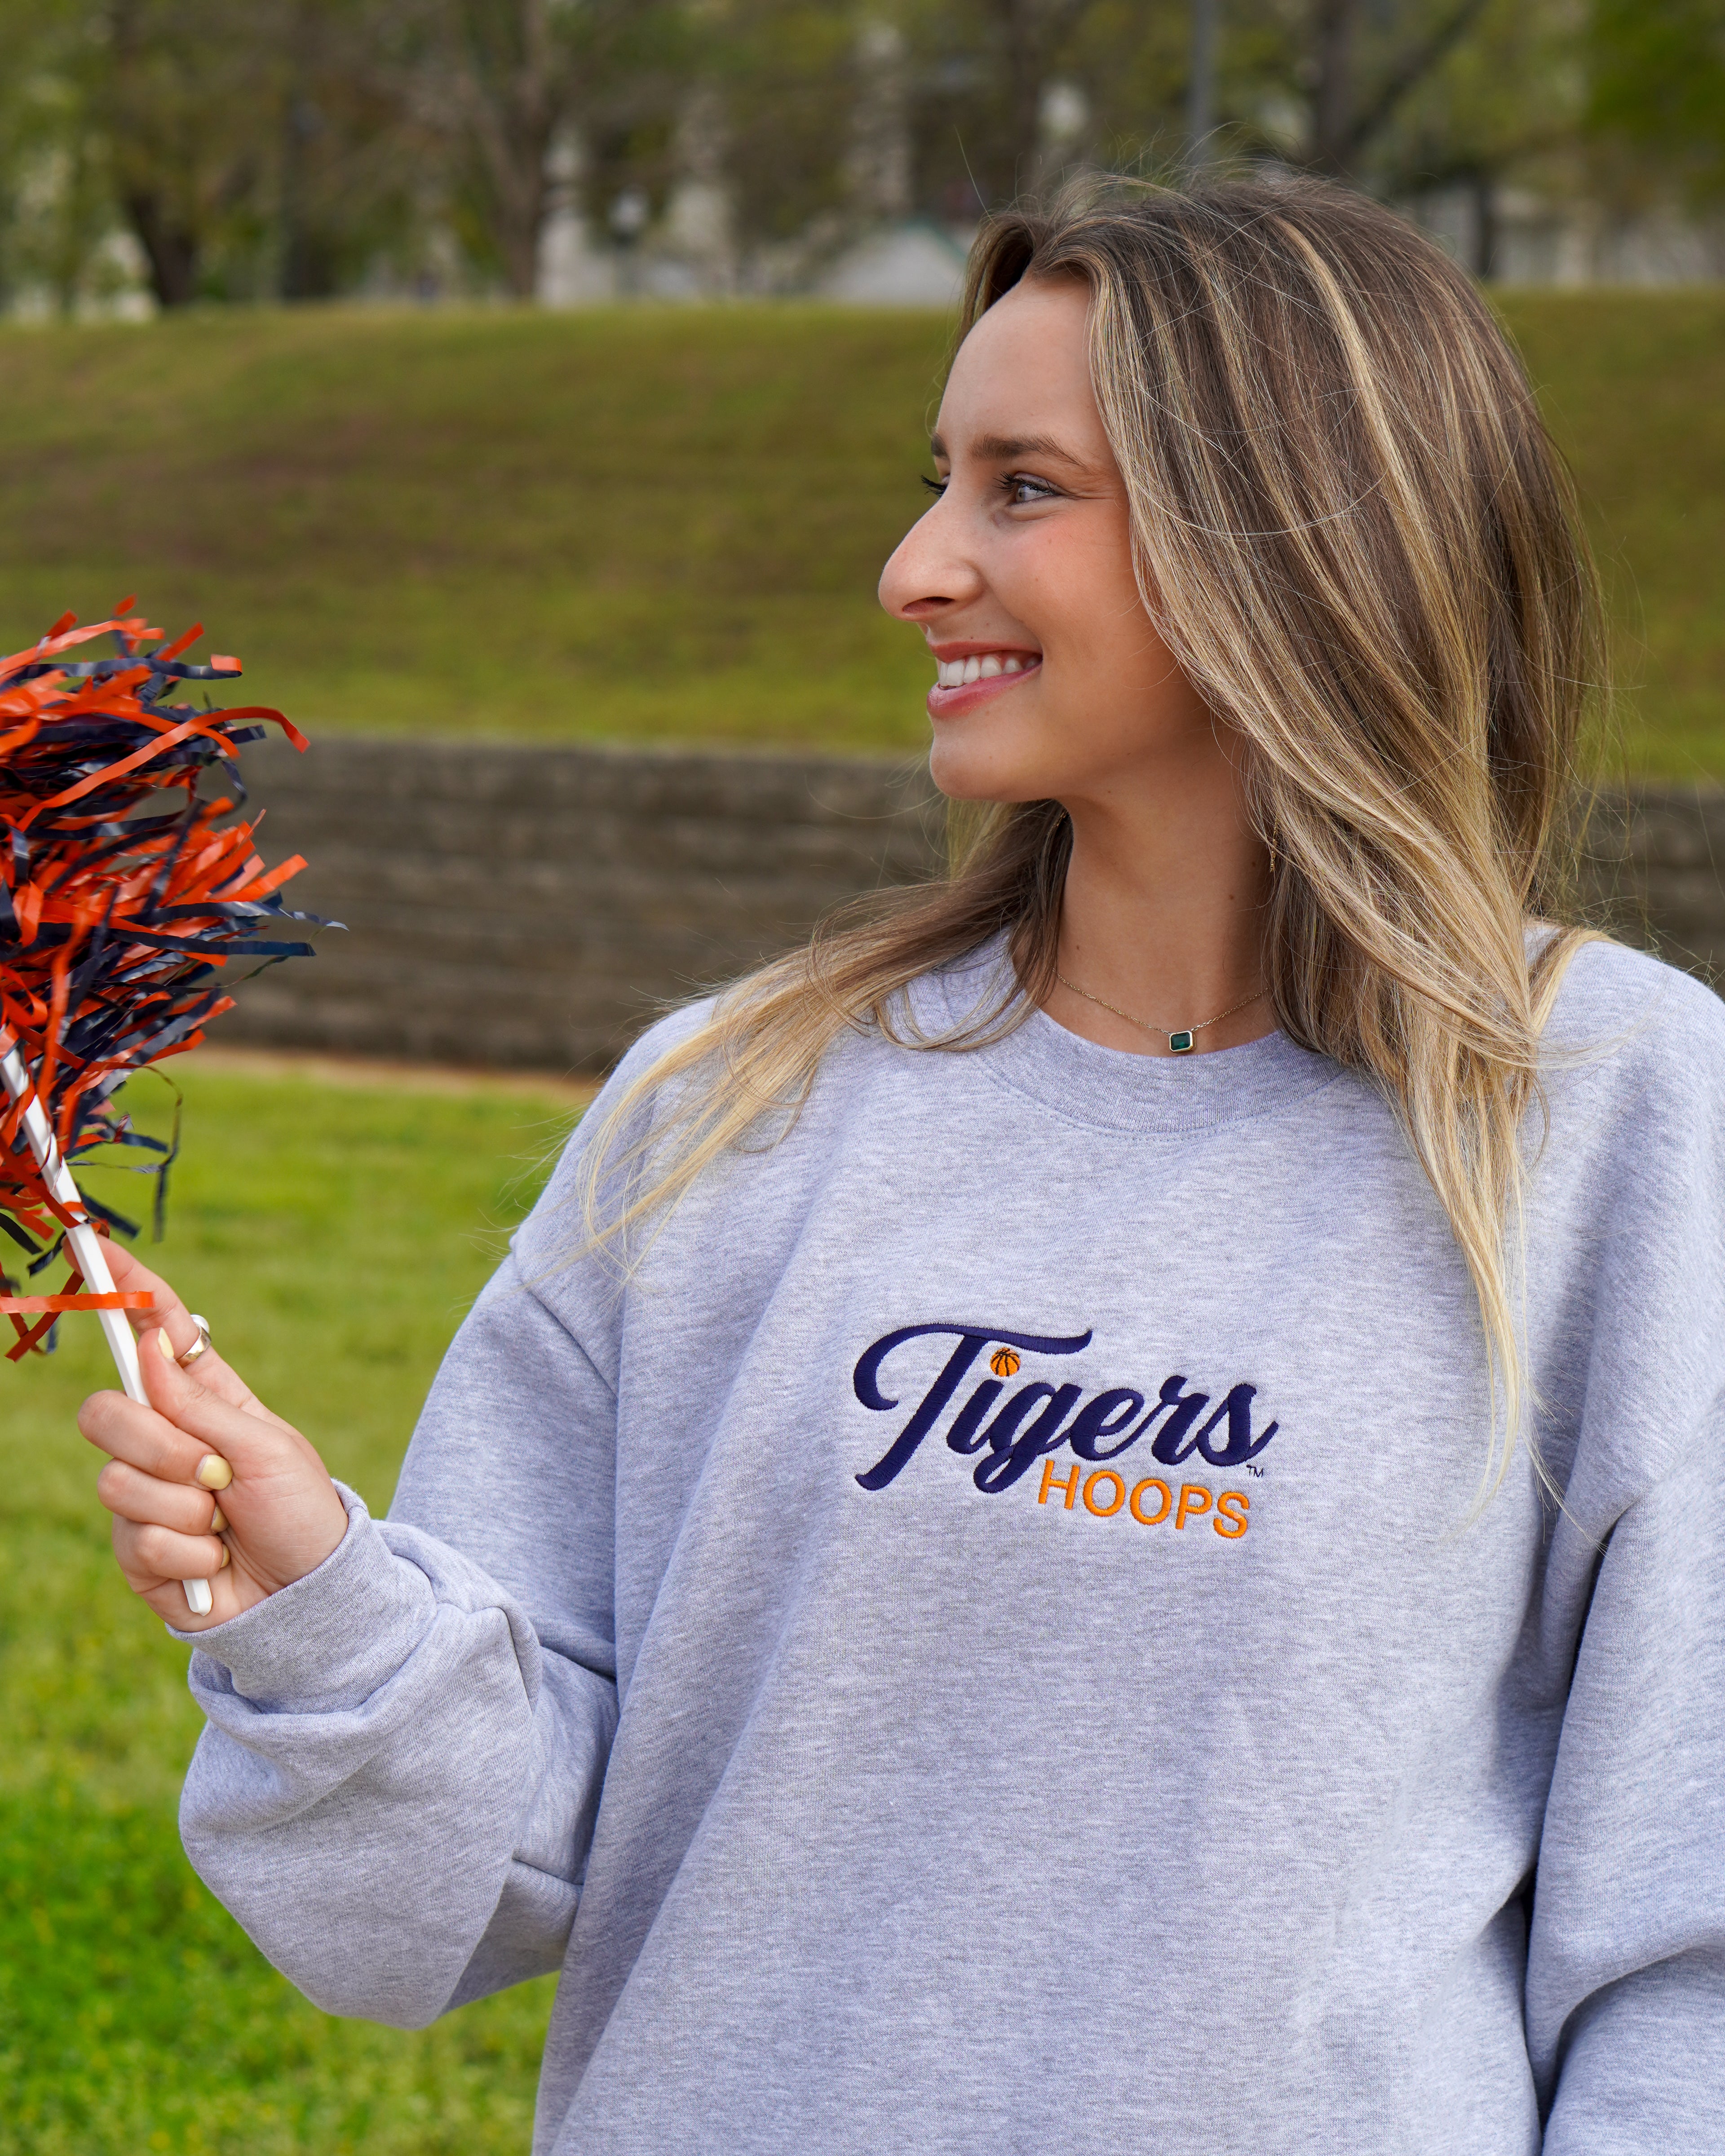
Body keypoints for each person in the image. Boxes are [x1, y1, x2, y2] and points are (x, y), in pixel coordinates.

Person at [82, 178, 1725, 2155]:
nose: (914, 569)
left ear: (1298, 533)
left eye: (1023, 488)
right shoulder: (732, 1103)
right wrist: (327, 1615)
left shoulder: (1622, 1120)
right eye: (936, 483)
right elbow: (447, 1908)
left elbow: (1690, 1957)